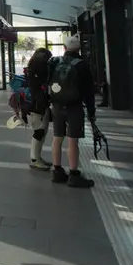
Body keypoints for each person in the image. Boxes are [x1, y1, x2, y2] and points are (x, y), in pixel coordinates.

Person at [47, 35, 96, 188]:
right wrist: (91, 111)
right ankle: (73, 174)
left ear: (64, 48)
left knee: (57, 137)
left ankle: (57, 171)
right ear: (79, 49)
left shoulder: (55, 62)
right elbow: (89, 91)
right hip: (74, 107)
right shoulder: (82, 65)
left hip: (56, 106)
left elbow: (48, 82)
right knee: (72, 140)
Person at [25, 48, 53, 170]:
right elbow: (38, 92)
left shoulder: (33, 70)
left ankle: (37, 157)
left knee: (42, 132)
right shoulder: (37, 73)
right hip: (37, 107)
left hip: (38, 106)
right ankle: (35, 159)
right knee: (39, 132)